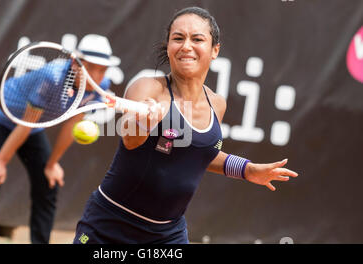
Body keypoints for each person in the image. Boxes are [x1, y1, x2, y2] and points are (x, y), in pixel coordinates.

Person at [72, 7, 299, 244]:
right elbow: (130, 139)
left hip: (168, 235)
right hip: (110, 225)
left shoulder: (217, 104)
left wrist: (247, 170)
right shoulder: (148, 87)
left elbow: (199, 153)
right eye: (178, 38)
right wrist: (143, 121)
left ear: (214, 51)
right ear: (168, 47)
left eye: (197, 39)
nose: (186, 46)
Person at [0, 34, 120, 244]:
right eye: (91, 67)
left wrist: (52, 163)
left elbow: (72, 124)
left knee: (49, 182)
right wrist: (1, 161)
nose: (97, 75)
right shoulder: (52, 77)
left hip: (31, 127)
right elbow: (26, 124)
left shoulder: (99, 85)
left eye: (102, 69)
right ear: (75, 63)